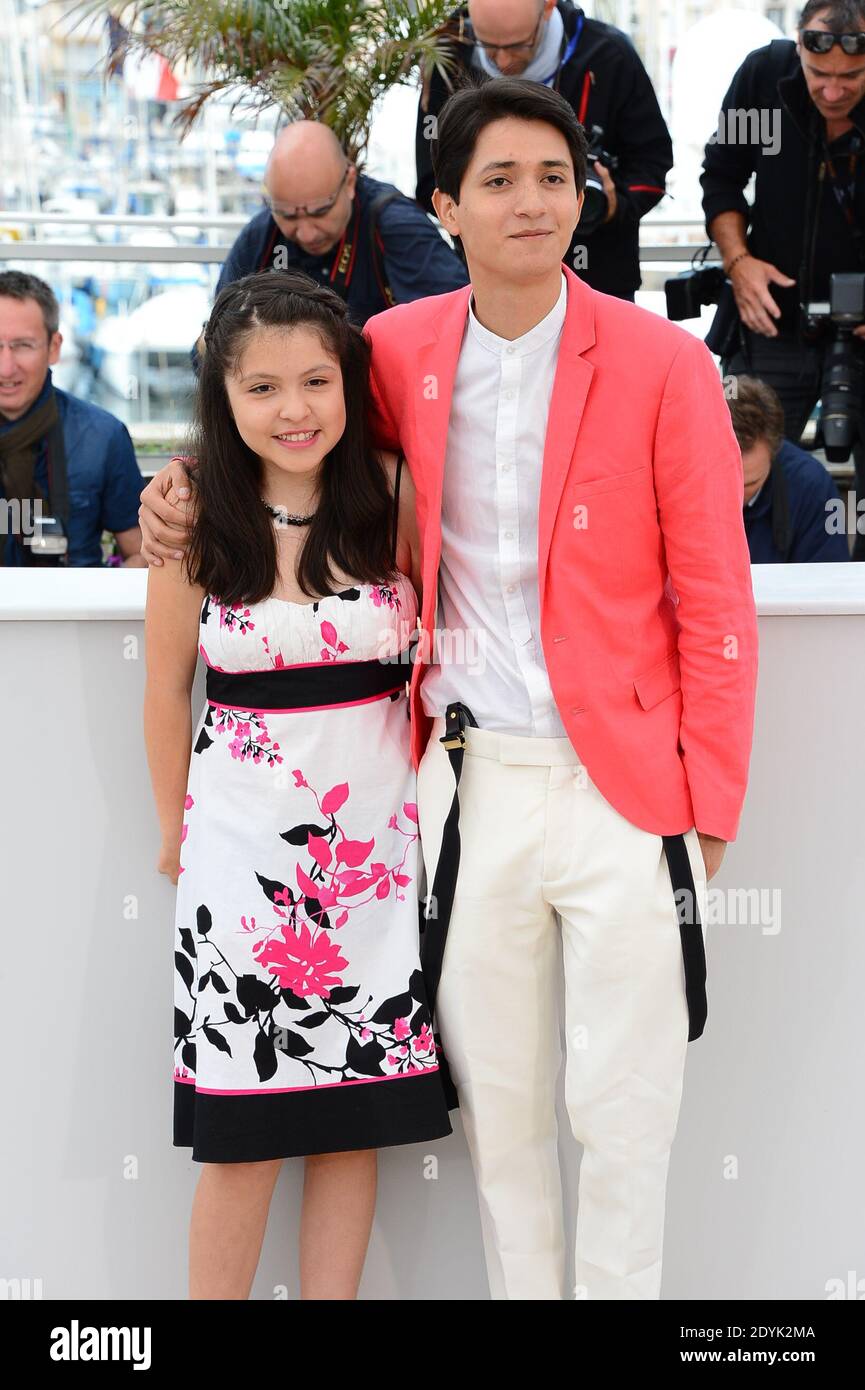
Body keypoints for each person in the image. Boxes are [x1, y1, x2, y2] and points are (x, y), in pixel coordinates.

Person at [137, 78, 758, 1302]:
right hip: (459, 787)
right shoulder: (399, 350)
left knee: (622, 1111)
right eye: (497, 181)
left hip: (626, 790)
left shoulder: (661, 361)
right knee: (505, 1118)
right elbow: (277, 410)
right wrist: (177, 486)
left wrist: (710, 808)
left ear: (584, 195)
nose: (532, 203)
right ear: (444, 208)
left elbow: (715, 597)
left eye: (553, 178)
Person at [143, 270, 452, 1300]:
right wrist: (170, 836)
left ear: (348, 382)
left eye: (315, 381)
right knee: (241, 1133)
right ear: (223, 397)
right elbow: (164, 688)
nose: (293, 409)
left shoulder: (393, 494)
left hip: (374, 859)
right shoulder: (192, 516)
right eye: (262, 387)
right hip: (238, 865)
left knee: (348, 1123)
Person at [701, 0, 865, 559]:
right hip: (770, 316)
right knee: (733, 464)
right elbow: (720, 177)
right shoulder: (763, 76)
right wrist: (739, 263)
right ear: (799, 47)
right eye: (820, 75)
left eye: (851, 77)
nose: (834, 92)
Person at [415, 0, 673, 301]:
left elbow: (652, 160)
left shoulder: (609, 56)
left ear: (548, 7)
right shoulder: (448, 55)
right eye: (487, 45)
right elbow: (433, 177)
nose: (501, 59)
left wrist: (617, 203)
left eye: (517, 45)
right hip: (484, 286)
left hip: (599, 273)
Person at [191, 120, 469, 368]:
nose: (307, 232)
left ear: (349, 182)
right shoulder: (261, 235)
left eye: (320, 211)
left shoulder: (394, 224)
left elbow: (456, 326)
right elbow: (207, 355)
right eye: (288, 215)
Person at [0, 271, 144, 567]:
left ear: (54, 347)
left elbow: (142, 552)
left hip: (75, 611)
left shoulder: (102, 436)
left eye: (23, 345)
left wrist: (100, 598)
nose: (6, 368)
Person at [727, 374, 851, 562]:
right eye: (724, 484)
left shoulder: (812, 488)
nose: (733, 497)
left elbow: (828, 580)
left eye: (748, 485)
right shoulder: (678, 478)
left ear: (775, 451)